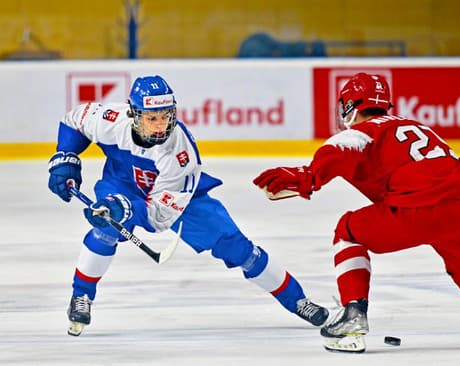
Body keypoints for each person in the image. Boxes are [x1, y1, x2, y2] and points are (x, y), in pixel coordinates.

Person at [253, 72, 460, 353]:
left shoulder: (363, 131)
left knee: (347, 231)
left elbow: (341, 147)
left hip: (420, 211)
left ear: (351, 106)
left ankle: (353, 318)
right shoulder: (414, 125)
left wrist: (308, 176)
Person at [47, 75, 328, 336]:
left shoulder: (180, 154)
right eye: (151, 118)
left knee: (240, 250)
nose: (160, 126)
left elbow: (159, 217)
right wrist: (65, 156)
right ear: (133, 114)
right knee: (106, 230)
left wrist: (127, 208)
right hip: (122, 184)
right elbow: (74, 121)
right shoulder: (111, 119)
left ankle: (297, 300)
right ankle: (81, 294)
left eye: (165, 116)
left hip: (182, 200)